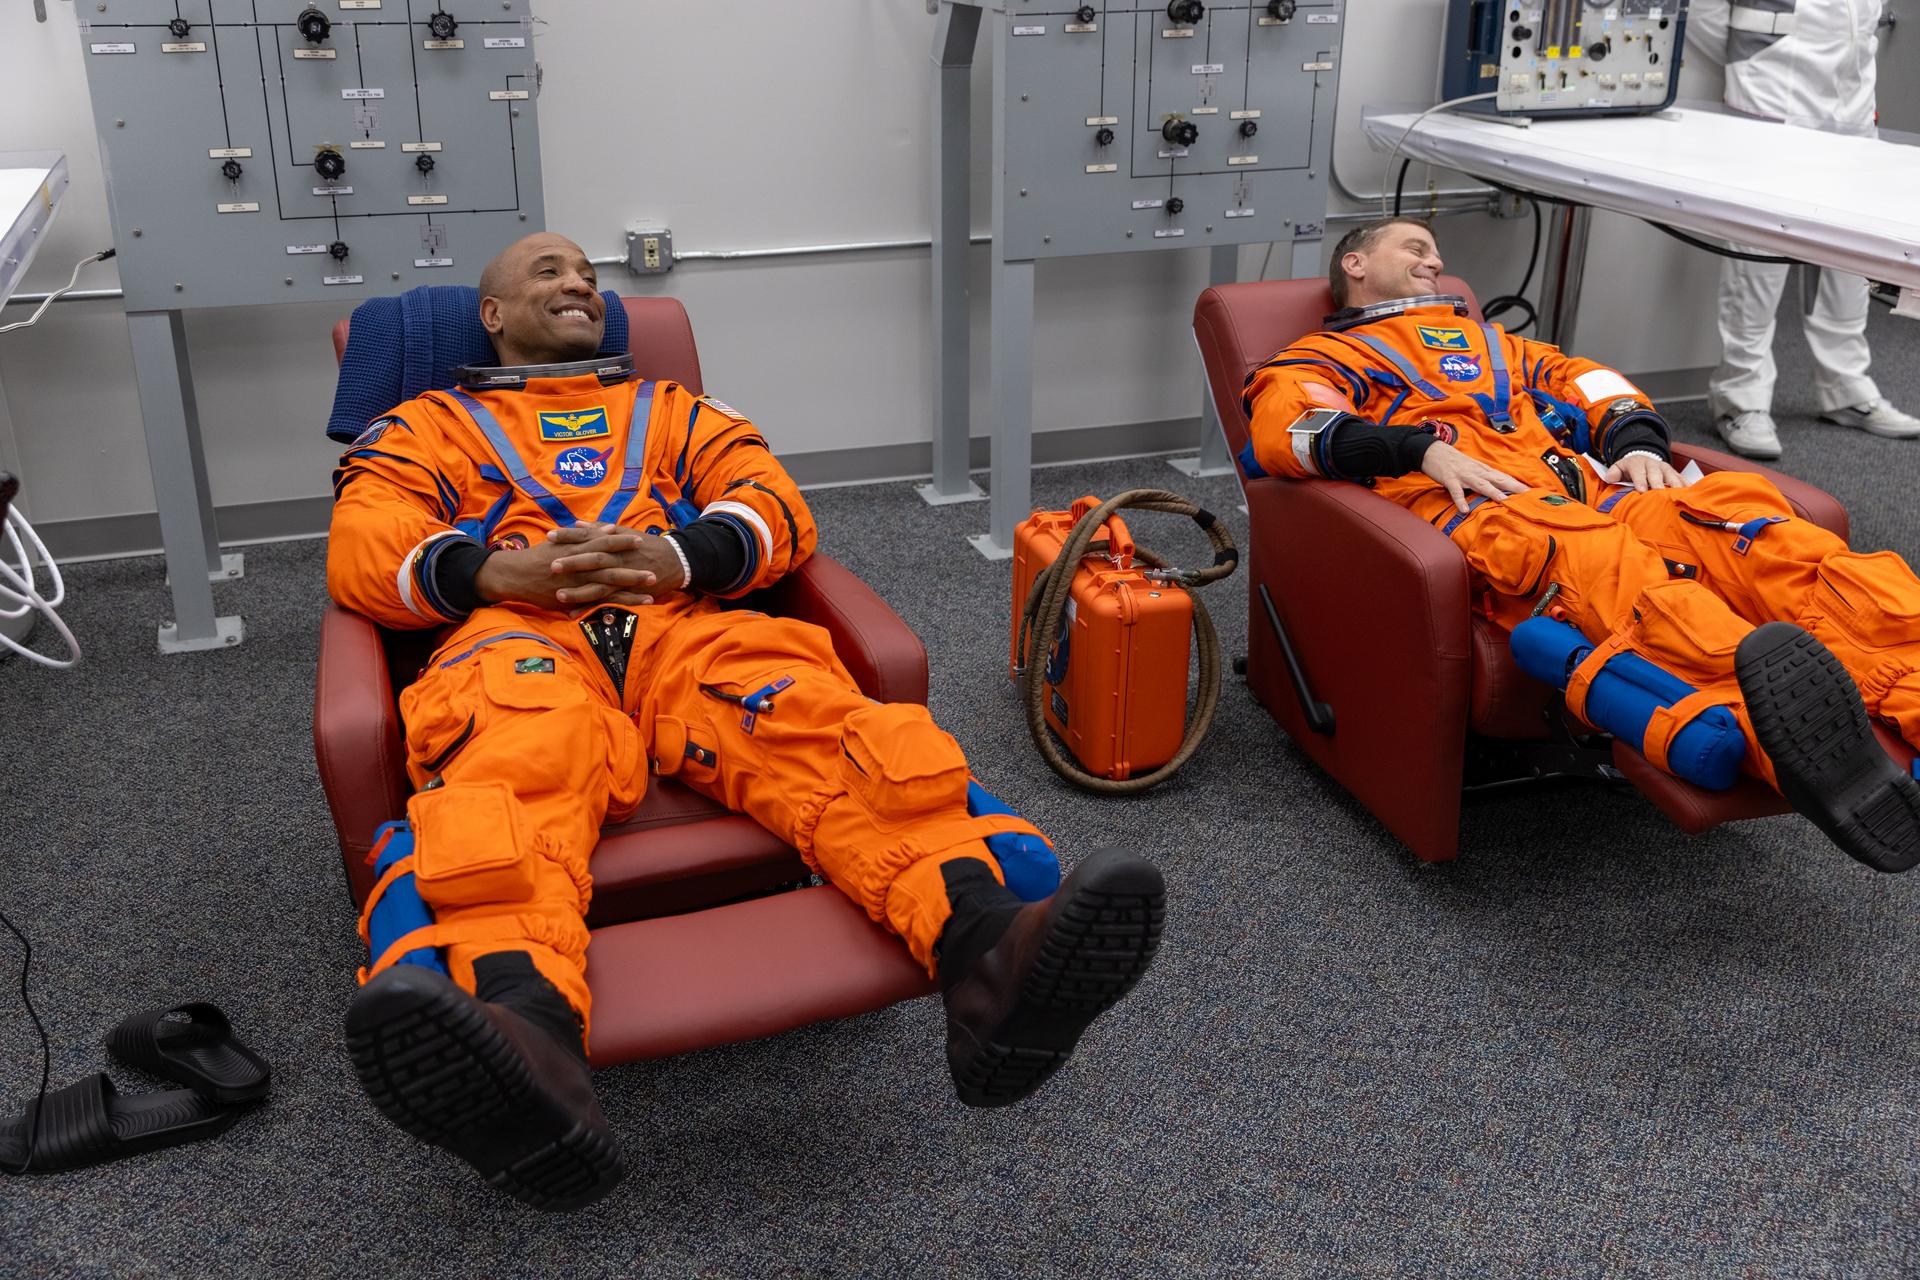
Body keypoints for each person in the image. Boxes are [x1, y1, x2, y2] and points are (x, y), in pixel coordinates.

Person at [327, 232, 1167, 1211]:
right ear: (492, 314)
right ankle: (522, 1038)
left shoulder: (679, 411)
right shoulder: (423, 424)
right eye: (549, 272)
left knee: (825, 724)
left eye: (590, 278)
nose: (580, 285)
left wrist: (681, 557)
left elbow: (770, 502)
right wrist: (485, 569)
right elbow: (365, 538)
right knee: (515, 761)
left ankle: (987, 954)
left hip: (686, 620)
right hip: (514, 630)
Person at [1243, 217, 1920, 872]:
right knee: (1604, 563)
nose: (1434, 262)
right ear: (1354, 264)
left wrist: (1636, 445)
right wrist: (1418, 450)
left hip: (1590, 487)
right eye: (1415, 246)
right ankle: (1795, 750)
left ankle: (1910, 688)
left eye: (1437, 253)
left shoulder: (1497, 346)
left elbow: (1593, 385)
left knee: (1756, 531)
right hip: (1485, 512)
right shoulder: (1322, 357)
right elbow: (1293, 430)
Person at [1685, 0, 1920, 459]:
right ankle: (1740, 398)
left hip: (1852, 89)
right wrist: (1754, 57)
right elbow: (1705, 12)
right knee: (1759, 251)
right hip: (1773, 82)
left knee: (1851, 249)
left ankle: (1845, 387)